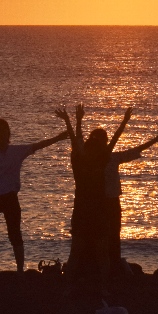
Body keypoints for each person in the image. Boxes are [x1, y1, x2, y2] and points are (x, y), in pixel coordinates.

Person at [0, 104, 69, 273]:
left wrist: (58, 137)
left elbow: (39, 145)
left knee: (15, 234)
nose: (1, 134)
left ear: (8, 133)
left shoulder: (16, 151)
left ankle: (20, 270)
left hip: (10, 198)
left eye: (4, 131)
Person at [105, 107, 158, 274]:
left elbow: (134, 150)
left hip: (109, 201)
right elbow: (121, 142)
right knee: (109, 235)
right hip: (104, 202)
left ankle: (111, 265)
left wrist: (154, 140)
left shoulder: (109, 158)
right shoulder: (102, 159)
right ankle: (108, 265)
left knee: (112, 235)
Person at [57, 104, 111, 292]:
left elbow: (77, 142)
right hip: (87, 213)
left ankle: (99, 286)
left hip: (91, 212)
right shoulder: (86, 163)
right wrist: (75, 121)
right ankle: (76, 286)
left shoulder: (94, 162)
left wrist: (76, 121)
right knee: (81, 252)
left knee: (94, 253)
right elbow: (76, 141)